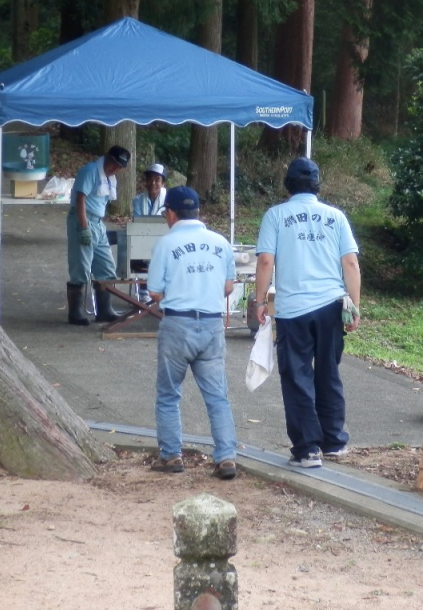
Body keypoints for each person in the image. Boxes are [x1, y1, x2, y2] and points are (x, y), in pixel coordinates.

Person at [254, 157, 361, 469]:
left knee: (297, 375)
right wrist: (353, 305)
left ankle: (307, 448)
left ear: (288, 184)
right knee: (329, 370)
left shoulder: (275, 216)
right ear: (317, 184)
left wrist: (260, 301)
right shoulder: (336, 217)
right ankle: (333, 440)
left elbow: (264, 262)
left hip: (293, 310)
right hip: (331, 306)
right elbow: (351, 263)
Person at [146, 186, 239, 480]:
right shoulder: (220, 242)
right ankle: (226, 458)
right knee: (217, 397)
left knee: (168, 394)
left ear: (171, 213)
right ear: (197, 212)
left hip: (177, 325)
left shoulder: (165, 243)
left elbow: (154, 291)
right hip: (211, 326)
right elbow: (228, 286)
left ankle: (171, 455)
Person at [66, 145, 130, 326]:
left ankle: (104, 310)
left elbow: (102, 201)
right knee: (81, 265)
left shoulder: (111, 178)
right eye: (115, 164)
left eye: (119, 167)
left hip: (98, 223)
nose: (116, 168)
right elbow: (80, 199)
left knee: (107, 266)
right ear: (108, 159)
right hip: (83, 220)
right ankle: (75, 312)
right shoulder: (91, 171)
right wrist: (84, 227)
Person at [130, 163, 167, 305]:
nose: (153, 183)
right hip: (143, 239)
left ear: (162, 182)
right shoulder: (138, 200)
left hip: (163, 240)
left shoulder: (169, 200)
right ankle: (144, 293)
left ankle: (161, 293)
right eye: (150, 179)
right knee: (140, 251)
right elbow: (139, 222)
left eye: (157, 179)